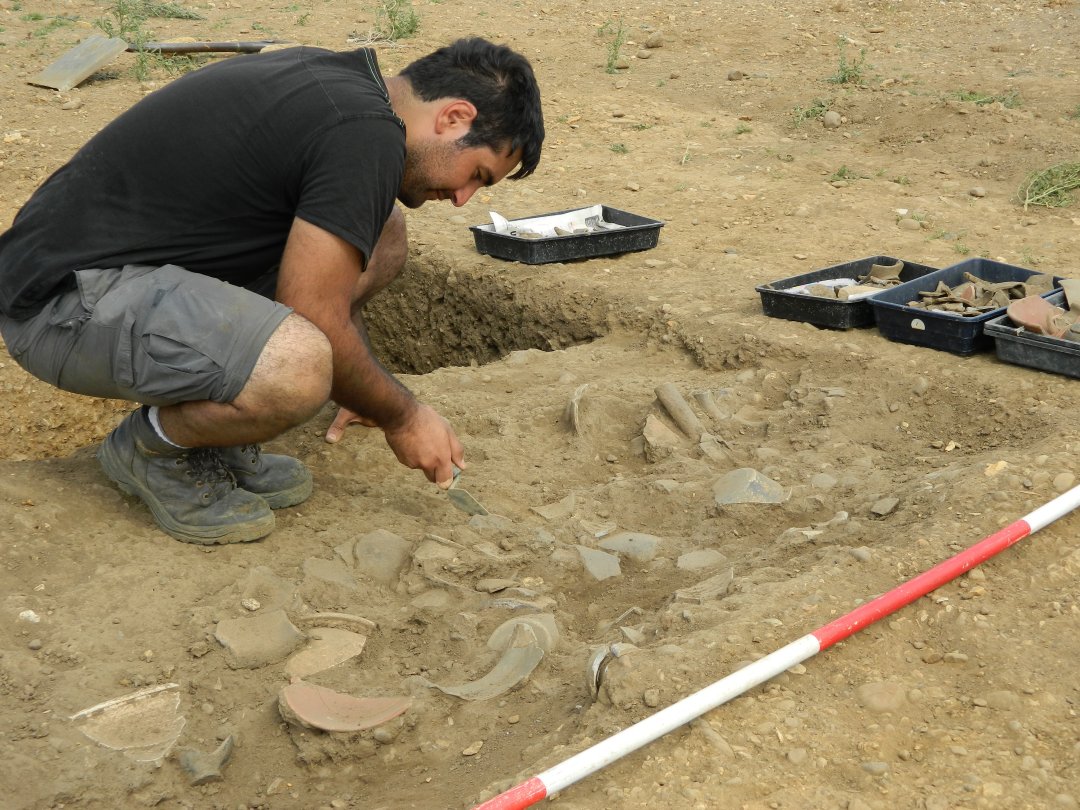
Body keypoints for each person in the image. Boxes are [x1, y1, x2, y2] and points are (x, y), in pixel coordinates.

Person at [0, 37, 545, 545]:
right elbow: (314, 315)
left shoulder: (348, 89)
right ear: (454, 117)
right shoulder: (364, 134)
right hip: (62, 303)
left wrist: (365, 389)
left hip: (121, 272)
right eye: (478, 174)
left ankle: (218, 431)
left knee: (382, 232)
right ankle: (152, 447)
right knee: (300, 365)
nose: (463, 199)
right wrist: (402, 415)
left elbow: (327, 293)